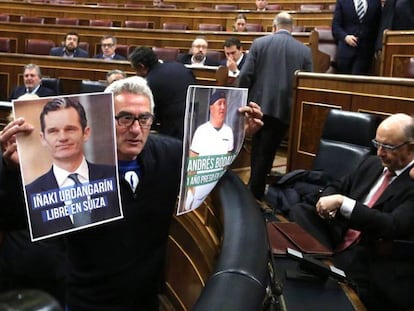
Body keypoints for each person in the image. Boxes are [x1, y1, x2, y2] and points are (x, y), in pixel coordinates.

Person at [0, 75, 264, 311]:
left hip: (146, 299)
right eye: (125, 118)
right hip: (87, 300)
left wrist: (242, 133)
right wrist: (10, 169)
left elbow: (212, 163)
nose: (136, 130)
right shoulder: (71, 164)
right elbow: (12, 218)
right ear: (103, 120)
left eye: (144, 119)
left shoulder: (169, 155)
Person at [289, 113, 414, 310]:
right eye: (377, 143)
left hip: (371, 254)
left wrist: (343, 203)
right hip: (339, 236)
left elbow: (392, 225)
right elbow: (338, 185)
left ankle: (323, 269)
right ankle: (320, 264)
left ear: (411, 147)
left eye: (388, 147)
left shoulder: (411, 182)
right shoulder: (371, 163)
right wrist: (326, 200)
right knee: (300, 211)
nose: (380, 152)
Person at [238, 12, 313, 200]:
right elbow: (309, 85)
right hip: (285, 109)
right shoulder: (304, 51)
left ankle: (253, 190)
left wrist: (239, 101)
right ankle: (255, 188)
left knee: (259, 147)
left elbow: (246, 75)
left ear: (274, 27)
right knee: (268, 149)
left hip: (258, 106)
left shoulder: (259, 43)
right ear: (292, 28)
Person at [24, 97, 121, 239]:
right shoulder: (30, 193)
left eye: (70, 129)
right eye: (53, 131)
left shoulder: (114, 176)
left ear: (86, 133)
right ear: (43, 138)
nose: (62, 137)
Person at [129, 46, 196, 140]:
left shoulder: (150, 82)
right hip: (195, 122)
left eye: (135, 69)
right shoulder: (178, 65)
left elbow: (150, 112)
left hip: (174, 132)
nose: (136, 73)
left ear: (141, 66)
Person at [185, 90, 234, 211]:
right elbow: (193, 162)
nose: (222, 107)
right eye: (219, 103)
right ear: (211, 108)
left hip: (218, 188)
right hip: (198, 189)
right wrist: (191, 189)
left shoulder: (229, 132)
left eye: (224, 104)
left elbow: (227, 164)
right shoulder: (202, 131)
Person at [332, 0, 382, 74]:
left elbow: (378, 26)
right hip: (345, 51)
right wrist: (345, 37)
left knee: (358, 82)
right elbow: (336, 26)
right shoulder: (342, 1)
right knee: (344, 82)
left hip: (365, 52)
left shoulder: (375, 2)